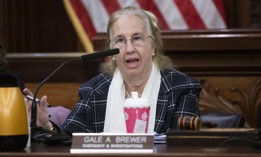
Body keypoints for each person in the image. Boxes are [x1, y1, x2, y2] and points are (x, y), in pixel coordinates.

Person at [23, 6, 201, 135]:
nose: (129, 48)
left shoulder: (181, 88)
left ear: (153, 44)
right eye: (120, 41)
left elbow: (185, 145)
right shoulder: (94, 90)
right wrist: (48, 127)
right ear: (112, 51)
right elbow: (70, 140)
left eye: (137, 38)